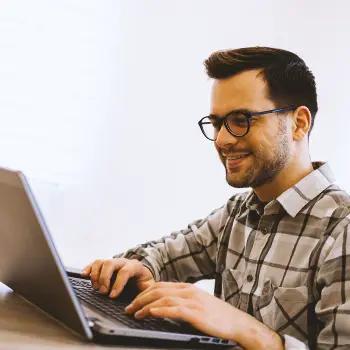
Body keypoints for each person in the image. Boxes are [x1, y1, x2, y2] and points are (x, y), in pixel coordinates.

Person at [82, 47, 350, 350]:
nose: (222, 139)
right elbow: (164, 254)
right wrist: (140, 267)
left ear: (299, 123)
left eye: (241, 120)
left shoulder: (342, 231)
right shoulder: (238, 213)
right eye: (217, 123)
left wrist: (253, 334)